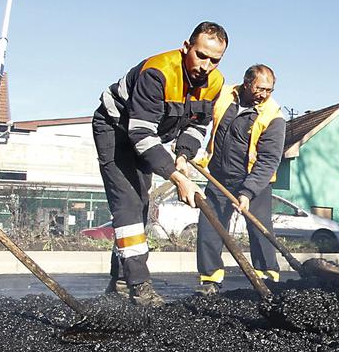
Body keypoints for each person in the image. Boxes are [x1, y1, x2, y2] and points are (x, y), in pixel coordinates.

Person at [94, 22, 227, 306]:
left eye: (214, 60)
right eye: (201, 55)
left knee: (140, 205)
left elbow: (198, 125)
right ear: (186, 47)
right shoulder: (158, 72)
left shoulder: (215, 83)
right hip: (115, 129)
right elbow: (139, 133)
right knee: (128, 204)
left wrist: (183, 154)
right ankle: (139, 285)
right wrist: (178, 178)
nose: (206, 65)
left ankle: (120, 280)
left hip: (148, 135)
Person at [195, 64, 287, 294]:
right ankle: (210, 279)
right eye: (260, 88)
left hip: (255, 181)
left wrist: (247, 192)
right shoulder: (224, 94)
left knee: (259, 229)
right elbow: (200, 114)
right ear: (246, 83)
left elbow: (268, 161)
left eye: (269, 89)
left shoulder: (274, 117)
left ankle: (268, 276)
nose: (264, 94)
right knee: (210, 228)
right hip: (218, 177)